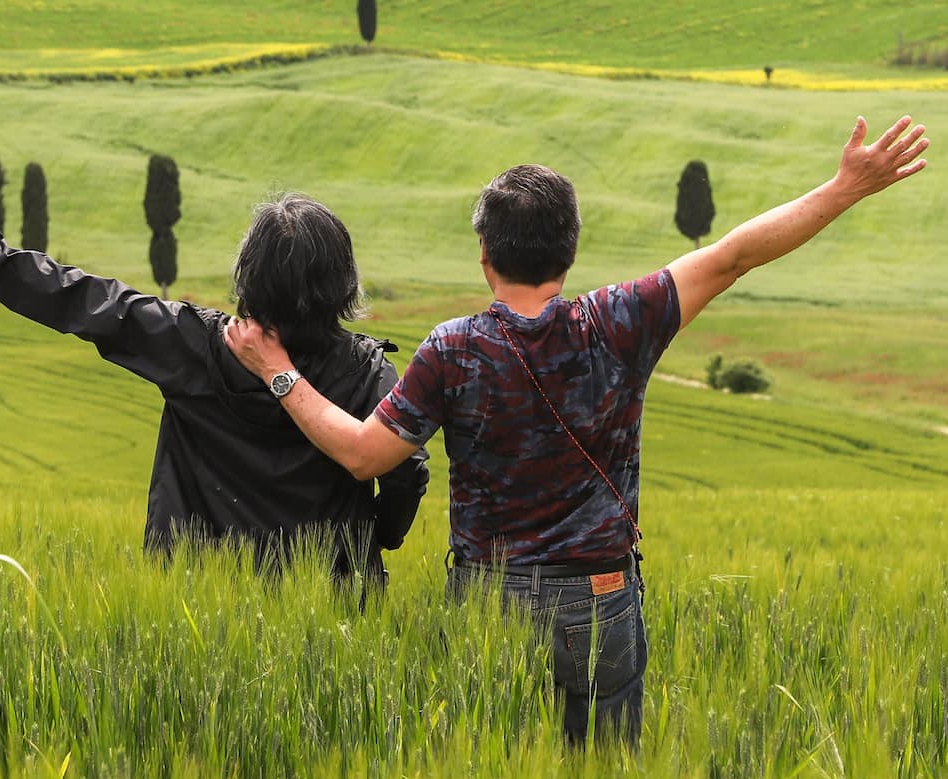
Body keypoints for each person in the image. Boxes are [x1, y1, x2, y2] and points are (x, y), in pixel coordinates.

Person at [224, 115, 929, 745]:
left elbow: (359, 456)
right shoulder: (621, 321)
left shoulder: (452, 349)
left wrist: (276, 368)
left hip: (487, 601)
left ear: (483, 254)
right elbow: (734, 253)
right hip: (598, 599)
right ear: (568, 251)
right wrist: (843, 188)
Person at [0, 192, 428, 587]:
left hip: (195, 591)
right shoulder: (367, 371)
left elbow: (87, 303)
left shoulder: (193, 343)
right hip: (332, 592)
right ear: (343, 282)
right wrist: (380, 534)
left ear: (248, 274)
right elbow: (406, 469)